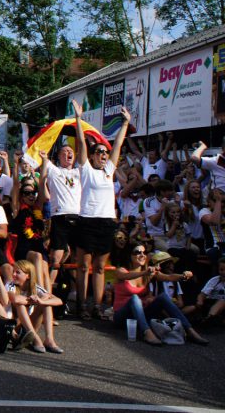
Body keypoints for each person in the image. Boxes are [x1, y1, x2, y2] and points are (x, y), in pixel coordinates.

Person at [73, 100, 130, 320]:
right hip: (87, 220)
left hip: (107, 222)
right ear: (92, 154)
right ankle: (81, 305)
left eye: (105, 152)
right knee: (83, 265)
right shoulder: (85, 169)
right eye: (99, 152)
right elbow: (80, 142)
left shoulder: (108, 171)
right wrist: (79, 119)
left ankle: (96, 306)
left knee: (99, 267)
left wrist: (125, 124)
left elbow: (118, 145)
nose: (104, 155)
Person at [111, 244, 208, 346]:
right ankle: (147, 332)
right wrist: (145, 272)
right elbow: (126, 276)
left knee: (162, 297)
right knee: (134, 298)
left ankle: (189, 330)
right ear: (129, 255)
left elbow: (168, 277)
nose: (142, 255)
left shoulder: (148, 272)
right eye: (137, 252)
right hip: (122, 317)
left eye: (144, 252)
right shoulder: (121, 271)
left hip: (141, 315)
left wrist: (183, 276)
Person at [41, 143, 82, 289]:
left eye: (70, 151)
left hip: (78, 217)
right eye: (64, 151)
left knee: (78, 257)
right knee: (56, 257)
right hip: (60, 216)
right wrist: (45, 158)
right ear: (58, 156)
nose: (68, 154)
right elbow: (44, 167)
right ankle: (48, 290)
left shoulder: (79, 172)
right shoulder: (54, 170)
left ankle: (75, 292)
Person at [6, 259, 63, 354]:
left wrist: (41, 301)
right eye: (13, 272)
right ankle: (35, 338)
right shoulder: (10, 285)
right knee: (21, 305)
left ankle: (49, 340)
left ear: (28, 275)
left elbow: (59, 301)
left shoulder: (34, 287)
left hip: (30, 323)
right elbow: (15, 299)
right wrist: (33, 301)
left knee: (47, 304)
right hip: (15, 327)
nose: (14, 275)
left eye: (18, 272)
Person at [194, 258, 225, 326]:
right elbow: (202, 295)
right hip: (211, 302)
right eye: (221, 270)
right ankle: (210, 317)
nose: (223, 272)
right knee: (223, 301)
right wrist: (200, 301)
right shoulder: (215, 280)